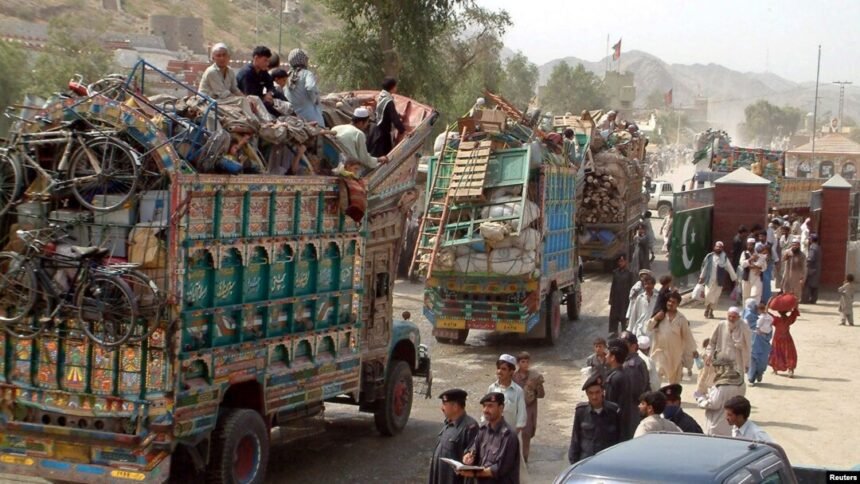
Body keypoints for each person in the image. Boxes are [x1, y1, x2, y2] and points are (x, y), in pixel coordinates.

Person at [461, 392, 520, 483]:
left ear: (501, 408)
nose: (485, 410)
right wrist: (468, 456)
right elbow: (474, 449)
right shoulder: (483, 430)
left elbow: (499, 469)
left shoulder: (508, 436)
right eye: (484, 406)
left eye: (490, 406)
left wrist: (474, 474)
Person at [568, 372, 622, 464]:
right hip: (586, 462)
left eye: (597, 392)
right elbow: (575, 439)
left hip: (608, 461)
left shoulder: (614, 411)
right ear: (587, 394)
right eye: (591, 393)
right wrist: (574, 462)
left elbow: (621, 438)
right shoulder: (581, 411)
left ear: (602, 392)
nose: (594, 397)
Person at [697, 306, 751, 395]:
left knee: (737, 384)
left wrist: (747, 363)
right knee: (719, 382)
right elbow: (712, 342)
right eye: (730, 316)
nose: (731, 319)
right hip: (721, 361)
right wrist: (709, 354)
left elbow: (748, 347)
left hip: (737, 362)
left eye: (734, 317)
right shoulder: (721, 325)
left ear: (738, 317)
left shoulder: (744, 327)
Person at [429, 389, 479, 484]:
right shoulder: (449, 423)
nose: (442, 408)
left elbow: (471, 459)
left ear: (455, 407)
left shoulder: (470, 427)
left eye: (445, 404)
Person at [648, 291, 697, 385]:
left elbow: (687, 336)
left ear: (677, 304)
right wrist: (656, 318)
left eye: (673, 302)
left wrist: (693, 350)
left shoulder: (681, 319)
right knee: (656, 377)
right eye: (669, 301)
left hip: (675, 354)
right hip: (659, 352)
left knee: (674, 381)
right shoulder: (660, 315)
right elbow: (649, 327)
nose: (670, 304)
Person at [696, 357, 746, 436]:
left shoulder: (721, 387)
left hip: (717, 426)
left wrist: (700, 398)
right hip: (733, 425)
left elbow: (713, 404)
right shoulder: (741, 383)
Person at [331, 107, 389, 175]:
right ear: (361, 123)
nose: (367, 125)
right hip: (350, 168)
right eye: (367, 122)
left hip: (335, 162)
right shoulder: (359, 134)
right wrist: (378, 159)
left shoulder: (335, 128)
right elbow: (364, 159)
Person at [511, 352, 545, 462]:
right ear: (518, 363)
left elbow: (541, 395)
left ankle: (525, 459)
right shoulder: (513, 377)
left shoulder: (535, 377)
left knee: (527, 434)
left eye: (527, 362)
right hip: (516, 409)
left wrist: (534, 387)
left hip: (529, 409)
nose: (525, 364)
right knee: (514, 434)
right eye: (523, 362)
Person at [236, 45, 283, 116]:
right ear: (256, 58)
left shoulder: (262, 71)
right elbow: (249, 95)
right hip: (247, 102)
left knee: (278, 94)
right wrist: (264, 98)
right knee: (267, 105)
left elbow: (270, 84)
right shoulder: (246, 74)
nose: (267, 64)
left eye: (268, 61)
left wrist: (269, 93)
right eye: (265, 60)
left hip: (259, 99)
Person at [604, 340, 636, 441]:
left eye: (608, 354)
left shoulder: (615, 378)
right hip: (623, 425)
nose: (606, 356)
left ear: (613, 357)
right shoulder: (623, 374)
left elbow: (609, 405)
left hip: (614, 428)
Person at [285, 48, 326, 126]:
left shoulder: (287, 76)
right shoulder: (306, 74)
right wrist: (315, 100)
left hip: (294, 119)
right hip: (311, 117)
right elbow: (310, 87)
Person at [367, 77, 407, 157]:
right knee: (384, 157)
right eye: (395, 86)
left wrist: (399, 115)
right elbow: (395, 120)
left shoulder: (381, 96)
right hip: (383, 135)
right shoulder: (389, 101)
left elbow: (386, 111)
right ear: (392, 87)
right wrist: (403, 131)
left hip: (376, 130)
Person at [487, 354, 527, 433]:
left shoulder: (518, 391)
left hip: (510, 434)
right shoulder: (492, 388)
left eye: (503, 369)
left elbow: (521, 416)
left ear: (511, 372)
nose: (499, 371)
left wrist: (514, 435)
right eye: (498, 368)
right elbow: (486, 411)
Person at [698, 241, 737, 319]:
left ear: (722, 248)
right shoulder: (709, 256)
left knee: (716, 297)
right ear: (714, 247)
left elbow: (729, 268)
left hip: (719, 281)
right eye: (717, 246)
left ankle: (711, 311)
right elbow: (705, 267)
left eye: (720, 247)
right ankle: (707, 308)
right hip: (709, 280)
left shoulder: (724, 258)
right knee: (708, 295)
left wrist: (735, 279)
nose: (718, 248)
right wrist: (701, 277)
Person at [768, 300, 799, 377]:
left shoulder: (776, 320)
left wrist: (768, 305)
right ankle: (790, 370)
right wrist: (795, 306)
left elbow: (768, 314)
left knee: (776, 352)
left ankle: (775, 370)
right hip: (787, 338)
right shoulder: (789, 320)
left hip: (777, 338)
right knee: (789, 353)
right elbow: (794, 314)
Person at [609, 255, 637, 335]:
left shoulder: (630, 273)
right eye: (619, 261)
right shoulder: (615, 272)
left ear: (626, 262)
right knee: (614, 315)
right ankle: (614, 331)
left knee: (624, 315)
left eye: (622, 261)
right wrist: (611, 298)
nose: (620, 263)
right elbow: (613, 286)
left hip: (625, 298)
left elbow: (632, 287)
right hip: (616, 298)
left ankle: (624, 332)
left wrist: (632, 299)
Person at [748, 301, 773, 386]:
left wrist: (762, 334)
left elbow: (769, 334)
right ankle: (751, 378)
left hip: (763, 346)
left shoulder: (765, 319)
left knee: (762, 363)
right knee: (752, 360)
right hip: (754, 345)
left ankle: (759, 373)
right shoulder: (750, 318)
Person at [619, 331, 651, 399]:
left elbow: (635, 390)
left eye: (624, 343)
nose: (620, 345)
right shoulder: (623, 361)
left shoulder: (634, 364)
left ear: (633, 346)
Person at [627, 274, 657, 338]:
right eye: (645, 284)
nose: (647, 286)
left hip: (653, 330)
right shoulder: (640, 298)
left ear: (653, 285)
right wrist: (630, 329)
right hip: (641, 330)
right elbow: (634, 314)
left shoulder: (657, 298)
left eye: (649, 284)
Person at [737, 237, 758, 302]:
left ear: (754, 245)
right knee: (746, 296)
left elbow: (763, 265)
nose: (749, 246)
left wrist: (756, 266)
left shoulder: (758, 253)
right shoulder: (744, 253)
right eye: (748, 245)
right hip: (746, 277)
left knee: (755, 295)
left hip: (756, 278)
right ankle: (746, 308)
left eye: (751, 245)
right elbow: (742, 264)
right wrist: (750, 259)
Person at [803, 234, 822, 304]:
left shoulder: (812, 248)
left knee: (808, 284)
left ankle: (806, 299)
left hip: (812, 268)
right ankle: (814, 299)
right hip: (817, 268)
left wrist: (806, 263)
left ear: (811, 240)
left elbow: (810, 258)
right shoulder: (818, 247)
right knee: (815, 285)